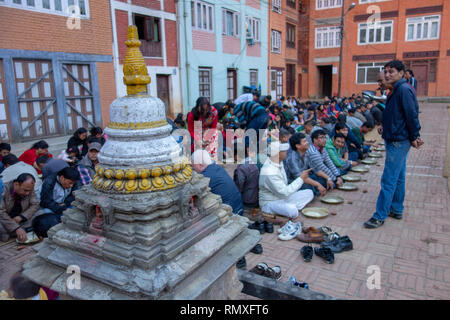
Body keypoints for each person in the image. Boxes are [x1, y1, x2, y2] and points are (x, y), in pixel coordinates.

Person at [364, 60, 422, 229]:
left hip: (399, 141)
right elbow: (396, 114)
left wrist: (415, 135)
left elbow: (412, 114)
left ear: (402, 73)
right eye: (386, 72)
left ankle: (379, 215)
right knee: (399, 177)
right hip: (395, 137)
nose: (388, 75)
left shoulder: (403, 89)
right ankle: (396, 208)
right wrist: (385, 126)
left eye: (392, 72)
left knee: (388, 179)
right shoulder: (395, 90)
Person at [258, 141, 314, 219]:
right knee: (293, 211)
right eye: (283, 151)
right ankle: (282, 209)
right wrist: (301, 179)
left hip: (282, 197)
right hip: (270, 202)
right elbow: (284, 193)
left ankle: (284, 209)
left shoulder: (279, 162)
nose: (286, 152)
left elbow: (285, 191)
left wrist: (301, 178)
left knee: (309, 192)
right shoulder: (269, 171)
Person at [191, 150, 243, 215]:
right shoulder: (217, 167)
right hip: (239, 206)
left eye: (193, 165)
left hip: (231, 212)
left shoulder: (205, 176)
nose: (192, 168)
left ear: (201, 165)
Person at [32, 167, 80, 238]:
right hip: (49, 207)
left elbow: (74, 195)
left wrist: (66, 203)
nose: (71, 186)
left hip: (62, 205)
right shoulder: (49, 182)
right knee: (48, 216)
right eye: (70, 183)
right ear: (62, 178)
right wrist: (61, 208)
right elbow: (46, 202)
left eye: (73, 183)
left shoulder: (73, 182)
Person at [0, 174, 39, 243]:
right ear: (16, 184)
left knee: (42, 213)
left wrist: (22, 217)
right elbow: (1, 212)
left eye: (29, 191)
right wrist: (16, 227)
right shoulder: (3, 190)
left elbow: (35, 204)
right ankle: (19, 231)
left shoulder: (29, 188)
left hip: (20, 219)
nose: (27, 193)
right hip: (5, 220)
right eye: (25, 190)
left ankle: (14, 232)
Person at [233, 143, 259, 213]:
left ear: (237, 156)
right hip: (255, 197)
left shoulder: (241, 168)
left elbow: (239, 187)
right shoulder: (252, 164)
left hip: (247, 200)